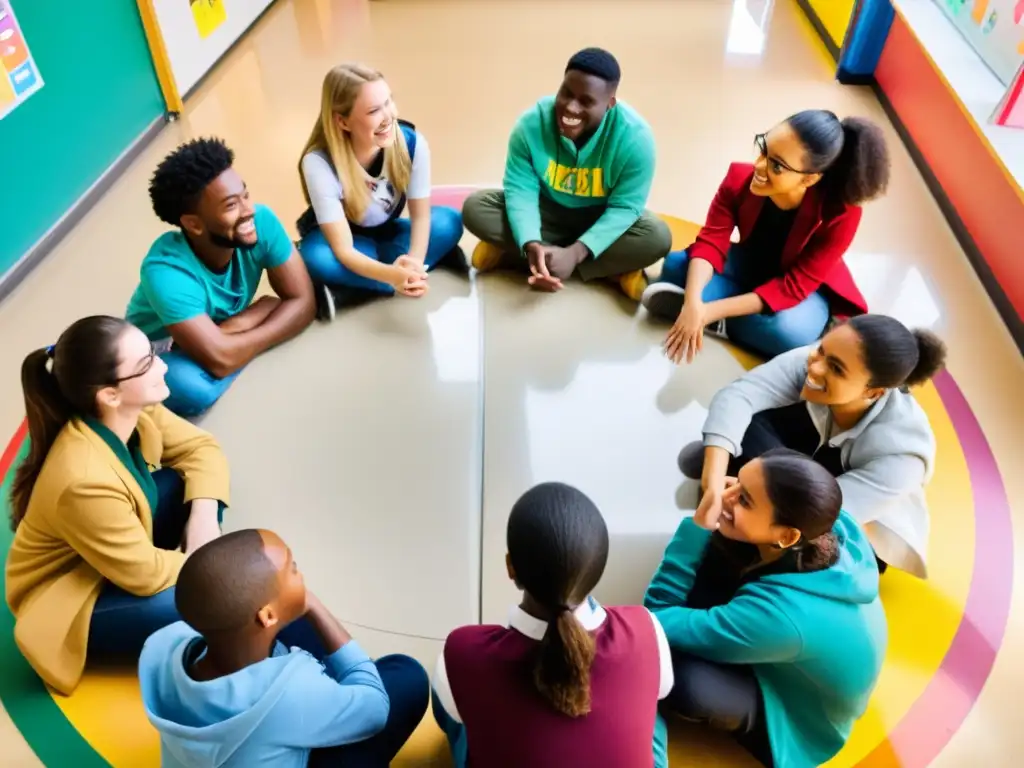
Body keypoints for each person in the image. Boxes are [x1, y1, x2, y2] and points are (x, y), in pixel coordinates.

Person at [5, 316, 230, 695]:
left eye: (153, 352)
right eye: (146, 363)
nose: (161, 365)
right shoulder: (82, 479)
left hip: (115, 554)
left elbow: (201, 449)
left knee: (195, 491)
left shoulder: (134, 407)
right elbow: (142, 575)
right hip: (77, 594)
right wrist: (205, 562)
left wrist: (204, 521)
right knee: (215, 599)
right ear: (109, 394)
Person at [645, 449, 888, 768]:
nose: (724, 495)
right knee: (718, 556)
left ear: (787, 536)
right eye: (737, 481)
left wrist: (699, 525)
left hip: (792, 714)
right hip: (785, 647)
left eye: (744, 499)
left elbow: (655, 617)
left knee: (675, 672)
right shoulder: (831, 524)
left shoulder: (782, 616)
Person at [678, 314, 946, 578]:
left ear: (873, 393)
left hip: (848, 524)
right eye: (821, 350)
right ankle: (729, 464)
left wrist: (735, 508)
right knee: (749, 423)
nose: (816, 368)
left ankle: (736, 475)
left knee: (750, 556)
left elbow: (817, 515)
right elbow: (739, 396)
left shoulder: (902, 457)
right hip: (822, 460)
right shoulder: (823, 359)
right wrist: (712, 481)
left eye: (837, 369)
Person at [139, 528, 430, 767]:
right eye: (292, 569)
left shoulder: (162, 647)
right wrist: (313, 605)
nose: (299, 572)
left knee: (296, 627)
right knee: (407, 675)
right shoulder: (293, 692)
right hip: (287, 715)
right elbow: (375, 709)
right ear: (266, 615)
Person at [432, 482, 675, 768]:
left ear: (511, 567)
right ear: (598, 570)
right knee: (651, 711)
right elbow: (663, 689)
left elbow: (453, 713)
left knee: (455, 707)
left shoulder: (463, 652)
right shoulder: (646, 629)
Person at [641, 110, 891, 362]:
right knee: (675, 266)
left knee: (787, 333)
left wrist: (706, 313)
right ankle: (725, 316)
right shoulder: (738, 179)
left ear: (809, 178)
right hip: (751, 264)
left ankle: (722, 317)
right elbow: (711, 243)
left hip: (801, 287)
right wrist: (694, 303)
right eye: (763, 148)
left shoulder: (841, 214)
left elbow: (793, 287)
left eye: (777, 165)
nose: (759, 166)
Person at [125, 137, 316, 417]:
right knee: (193, 390)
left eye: (245, 195)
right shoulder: (165, 272)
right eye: (230, 206)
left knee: (211, 370)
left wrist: (231, 340)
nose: (247, 210)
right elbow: (220, 359)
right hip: (158, 351)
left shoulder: (260, 220)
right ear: (193, 224)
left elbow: (304, 301)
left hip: (209, 335)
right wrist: (258, 314)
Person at [462, 48, 671, 302]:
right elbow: (521, 190)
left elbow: (625, 208)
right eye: (566, 94)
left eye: (586, 101)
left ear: (609, 104)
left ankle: (514, 256)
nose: (571, 108)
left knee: (657, 237)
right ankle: (606, 269)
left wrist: (576, 253)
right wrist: (530, 240)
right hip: (546, 211)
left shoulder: (636, 140)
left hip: (599, 217)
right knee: (476, 208)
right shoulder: (531, 124)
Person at [297, 63, 465, 319]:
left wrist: (415, 263)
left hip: (389, 233)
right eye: (375, 110)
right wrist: (392, 277)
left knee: (448, 222)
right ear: (343, 121)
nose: (389, 116)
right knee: (314, 257)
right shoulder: (319, 163)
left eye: (389, 102)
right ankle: (392, 276)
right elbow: (343, 250)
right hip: (348, 242)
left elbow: (421, 216)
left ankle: (354, 290)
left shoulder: (412, 143)